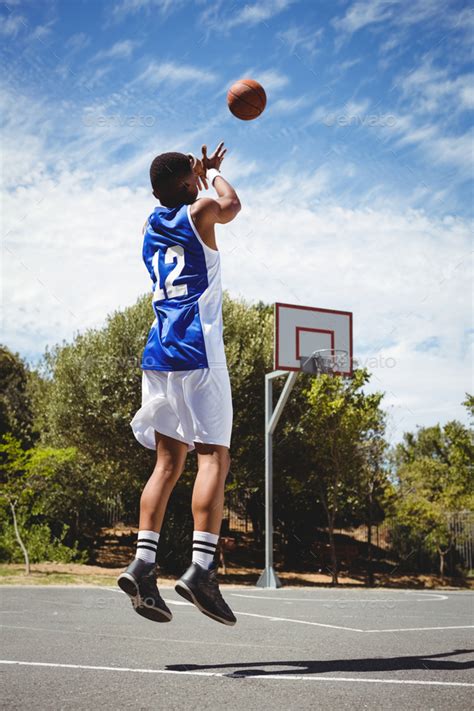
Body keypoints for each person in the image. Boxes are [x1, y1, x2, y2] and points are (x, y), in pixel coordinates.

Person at [117, 142, 241, 626]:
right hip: (198, 350)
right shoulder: (202, 210)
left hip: (158, 353)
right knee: (214, 455)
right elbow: (231, 205)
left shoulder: (150, 225)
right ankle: (202, 568)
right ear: (188, 184)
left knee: (168, 462)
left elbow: (173, 193)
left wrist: (190, 175)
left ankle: (143, 563)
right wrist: (210, 175)